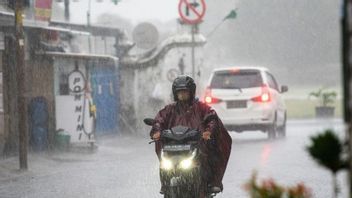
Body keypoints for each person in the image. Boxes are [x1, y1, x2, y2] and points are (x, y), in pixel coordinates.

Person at [150, 75, 232, 194]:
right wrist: (157, 131)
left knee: (211, 155)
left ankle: (213, 182)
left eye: (185, 92)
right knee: (163, 155)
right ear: (175, 93)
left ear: (191, 92)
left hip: (197, 146)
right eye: (180, 92)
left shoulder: (201, 108)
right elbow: (159, 120)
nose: (182, 95)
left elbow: (212, 118)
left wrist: (208, 131)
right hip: (173, 147)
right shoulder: (169, 109)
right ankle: (165, 182)